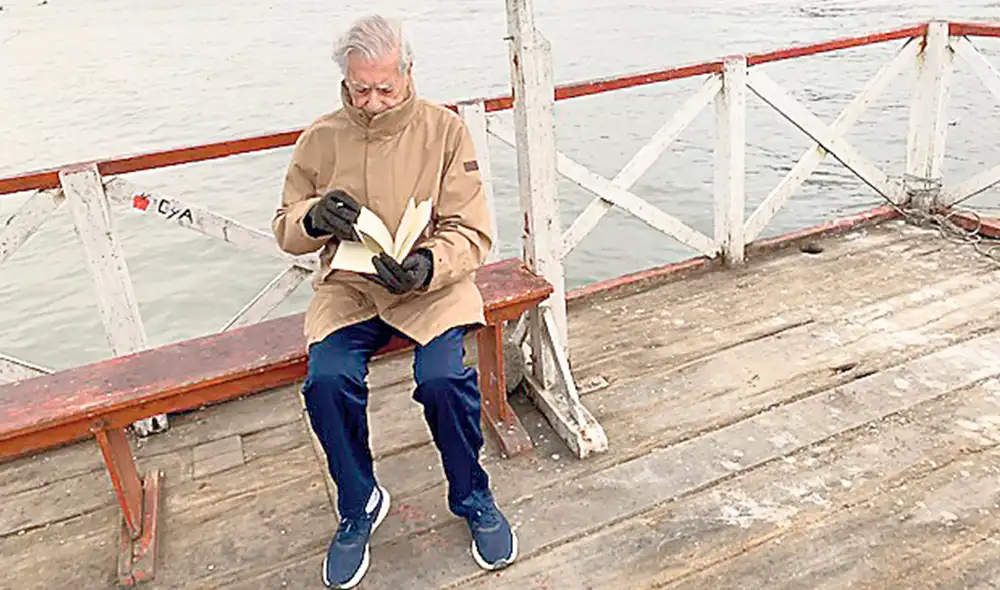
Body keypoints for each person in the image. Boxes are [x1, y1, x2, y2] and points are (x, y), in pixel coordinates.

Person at [271, 13, 518, 590]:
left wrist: (428, 264)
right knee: (327, 382)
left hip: (429, 287)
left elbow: (472, 229)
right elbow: (285, 226)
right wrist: (314, 218)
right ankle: (358, 502)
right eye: (361, 89)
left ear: (408, 72)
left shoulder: (445, 130)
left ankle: (473, 495)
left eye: (385, 88)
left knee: (444, 380)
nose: (373, 102)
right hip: (351, 288)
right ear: (345, 80)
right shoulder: (320, 137)